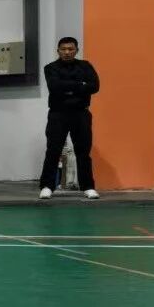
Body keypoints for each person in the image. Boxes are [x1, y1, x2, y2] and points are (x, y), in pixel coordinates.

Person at [38, 38, 100, 200]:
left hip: (81, 113)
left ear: (76, 50)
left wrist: (67, 87)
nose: (67, 52)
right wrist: (81, 85)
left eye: (70, 49)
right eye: (63, 49)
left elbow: (95, 86)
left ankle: (88, 186)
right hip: (58, 114)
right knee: (53, 150)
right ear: (58, 51)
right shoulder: (50, 68)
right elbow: (54, 87)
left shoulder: (85, 66)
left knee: (83, 151)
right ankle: (47, 186)